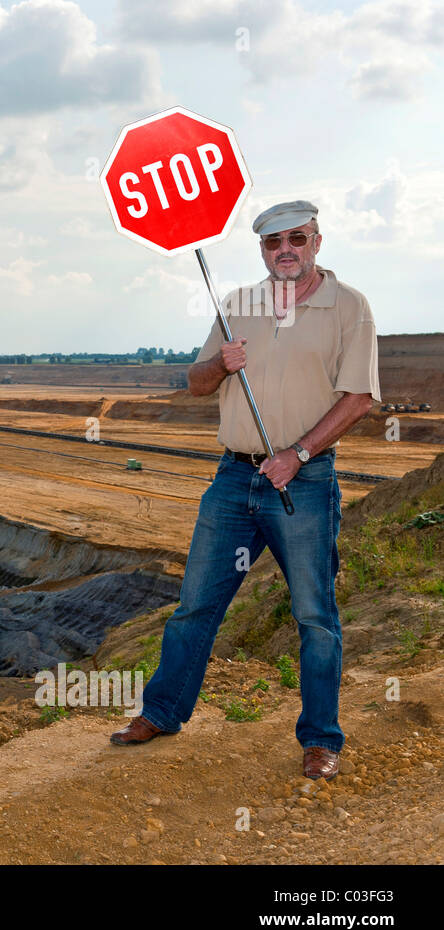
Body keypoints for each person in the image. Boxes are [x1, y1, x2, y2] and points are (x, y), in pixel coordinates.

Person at [109, 200, 381, 781]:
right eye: (272, 241)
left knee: (314, 615)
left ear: (316, 241)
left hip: (304, 482)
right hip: (234, 479)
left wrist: (298, 454)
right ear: (261, 249)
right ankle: (160, 714)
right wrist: (221, 365)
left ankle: (320, 739)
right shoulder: (238, 304)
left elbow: (358, 398)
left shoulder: (349, 306)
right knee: (194, 608)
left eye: (297, 239)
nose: (286, 249)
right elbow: (196, 384)